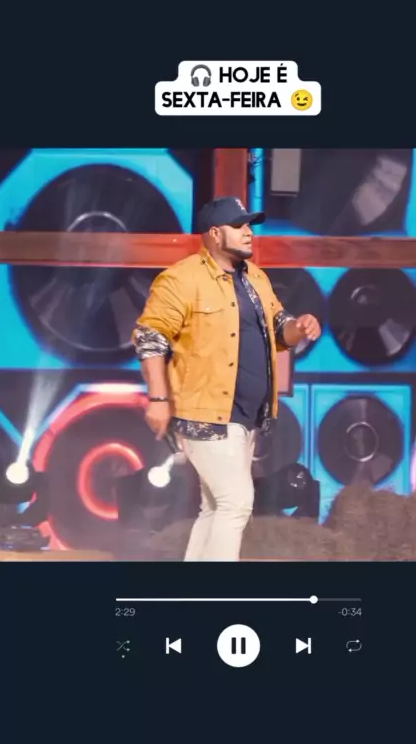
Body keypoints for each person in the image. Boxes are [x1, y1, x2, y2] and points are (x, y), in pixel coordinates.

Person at [132, 196, 321, 561]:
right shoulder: (182, 278)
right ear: (216, 234)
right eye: (239, 226)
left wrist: (299, 327)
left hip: (247, 417)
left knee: (215, 507)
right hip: (205, 413)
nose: (249, 232)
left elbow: (279, 330)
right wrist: (158, 398)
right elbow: (150, 337)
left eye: (250, 225)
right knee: (236, 503)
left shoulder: (256, 279)